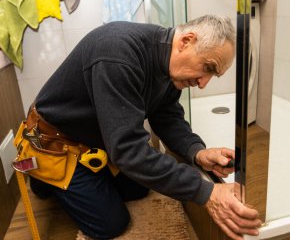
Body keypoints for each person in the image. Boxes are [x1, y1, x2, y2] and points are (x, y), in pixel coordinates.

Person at [22, 15, 261, 240]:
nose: (202, 84)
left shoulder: (169, 67)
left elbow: (167, 116)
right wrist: (206, 192)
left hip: (94, 137)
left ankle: (88, 179)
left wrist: (196, 151)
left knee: (138, 189)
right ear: (187, 41)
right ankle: (43, 180)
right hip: (56, 140)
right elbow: (128, 151)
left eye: (213, 76)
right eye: (208, 67)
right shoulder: (117, 53)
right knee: (110, 223)